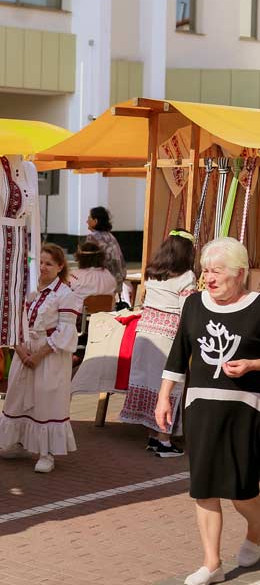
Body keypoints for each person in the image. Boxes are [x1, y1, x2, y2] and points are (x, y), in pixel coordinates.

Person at [157, 238, 260, 585]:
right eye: (206, 271)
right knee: (203, 487)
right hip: (200, 405)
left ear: (240, 273)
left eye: (217, 272)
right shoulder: (193, 305)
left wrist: (251, 364)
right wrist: (164, 396)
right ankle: (211, 563)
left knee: (241, 490)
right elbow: (178, 354)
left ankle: (257, 533)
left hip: (244, 410)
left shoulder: (258, 306)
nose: (209, 279)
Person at [0, 243, 79, 473]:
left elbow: (65, 330)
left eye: (49, 263)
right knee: (18, 395)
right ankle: (19, 443)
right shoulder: (29, 290)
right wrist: (19, 349)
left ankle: (46, 452)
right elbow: (15, 322)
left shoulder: (65, 295)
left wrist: (38, 355)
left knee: (46, 399)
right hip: (25, 350)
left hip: (50, 354)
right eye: (41, 263)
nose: (44, 268)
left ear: (60, 266)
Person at [119, 230, 195, 457]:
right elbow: (187, 310)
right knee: (169, 385)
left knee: (148, 382)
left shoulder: (152, 272)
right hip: (169, 336)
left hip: (145, 333)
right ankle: (164, 439)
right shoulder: (187, 276)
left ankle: (152, 436)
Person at [85, 206, 127, 295]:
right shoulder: (111, 237)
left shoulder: (92, 237)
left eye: (89, 218)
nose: (87, 221)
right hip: (116, 281)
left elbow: (87, 262)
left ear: (95, 221)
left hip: (101, 282)